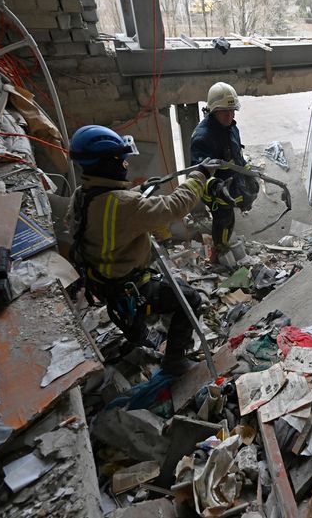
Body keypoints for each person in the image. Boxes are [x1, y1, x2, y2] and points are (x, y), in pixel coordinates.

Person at [68, 124, 221, 374]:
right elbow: (176, 205)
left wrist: (141, 191)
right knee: (191, 299)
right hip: (127, 285)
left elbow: (112, 207)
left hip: (99, 279)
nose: (126, 165)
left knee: (143, 322)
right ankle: (174, 361)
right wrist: (200, 176)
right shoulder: (125, 205)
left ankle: (142, 334)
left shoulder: (82, 194)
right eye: (122, 160)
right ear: (107, 163)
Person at [190, 82, 259, 258]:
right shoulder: (203, 137)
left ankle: (224, 242)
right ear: (213, 111)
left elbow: (237, 155)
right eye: (225, 111)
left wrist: (248, 174)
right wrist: (218, 189)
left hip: (231, 180)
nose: (230, 115)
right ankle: (220, 251)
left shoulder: (231, 128)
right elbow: (199, 174)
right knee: (224, 220)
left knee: (238, 207)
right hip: (215, 189)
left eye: (233, 111)